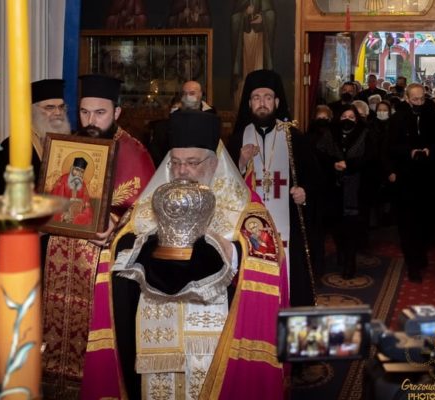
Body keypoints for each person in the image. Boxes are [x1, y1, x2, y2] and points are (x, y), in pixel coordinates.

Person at [82, 110, 289, 399]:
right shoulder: (149, 204)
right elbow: (122, 244)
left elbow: (265, 260)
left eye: (192, 163)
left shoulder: (244, 208)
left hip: (216, 334)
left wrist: (232, 252)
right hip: (156, 331)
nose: (182, 171)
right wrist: (118, 238)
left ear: (214, 163)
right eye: (176, 162)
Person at [41, 74, 155, 397]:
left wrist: (116, 226)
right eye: (84, 112)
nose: (91, 121)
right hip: (61, 266)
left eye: (100, 113)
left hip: (105, 271)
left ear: (116, 112)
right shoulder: (68, 147)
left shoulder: (135, 154)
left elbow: (147, 215)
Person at [228, 69, 322, 306]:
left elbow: (316, 177)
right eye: (256, 98)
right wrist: (240, 162)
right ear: (249, 103)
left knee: (293, 277)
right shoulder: (238, 139)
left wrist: (305, 193)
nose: (262, 103)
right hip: (248, 227)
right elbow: (224, 186)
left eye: (268, 97)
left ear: (277, 102)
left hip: (287, 224)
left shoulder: (293, 137)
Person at [389, 83, 435, 283]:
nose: (419, 102)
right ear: (407, 98)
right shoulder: (398, 118)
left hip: (428, 177)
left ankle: (421, 253)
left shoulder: (433, 116)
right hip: (407, 178)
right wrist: (410, 152)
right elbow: (391, 146)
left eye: (422, 98)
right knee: (408, 223)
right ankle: (412, 263)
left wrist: (430, 150)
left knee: (426, 220)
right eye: (415, 99)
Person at [316, 106, 371, 279]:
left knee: (351, 227)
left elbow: (370, 157)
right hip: (333, 187)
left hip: (356, 188)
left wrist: (350, 165)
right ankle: (341, 251)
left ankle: (350, 261)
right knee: (336, 225)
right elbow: (319, 154)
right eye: (344, 116)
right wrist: (334, 164)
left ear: (357, 119)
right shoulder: (330, 134)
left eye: (351, 116)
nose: (347, 119)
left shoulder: (365, 134)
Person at [0, 79, 70, 195]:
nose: (58, 112)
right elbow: (4, 195)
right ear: (33, 111)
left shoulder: (72, 141)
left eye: (61, 107)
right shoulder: (11, 147)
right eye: (50, 108)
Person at [148, 80, 215, 167]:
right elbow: (158, 153)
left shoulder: (210, 121)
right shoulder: (166, 125)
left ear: (200, 95)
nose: (188, 97)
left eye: (192, 93)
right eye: (185, 93)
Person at [231, 0, 276, 110]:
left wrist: (263, 18)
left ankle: (259, 103)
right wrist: (245, 14)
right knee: (245, 75)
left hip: (259, 41)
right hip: (244, 42)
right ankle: (244, 104)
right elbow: (234, 18)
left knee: (259, 71)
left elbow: (271, 14)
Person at [50, 157, 93, 226]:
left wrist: (80, 215)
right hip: (62, 215)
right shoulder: (63, 180)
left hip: (76, 217)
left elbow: (87, 204)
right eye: (77, 170)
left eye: (81, 172)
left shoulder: (83, 185)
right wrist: (65, 213)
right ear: (72, 168)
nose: (78, 174)